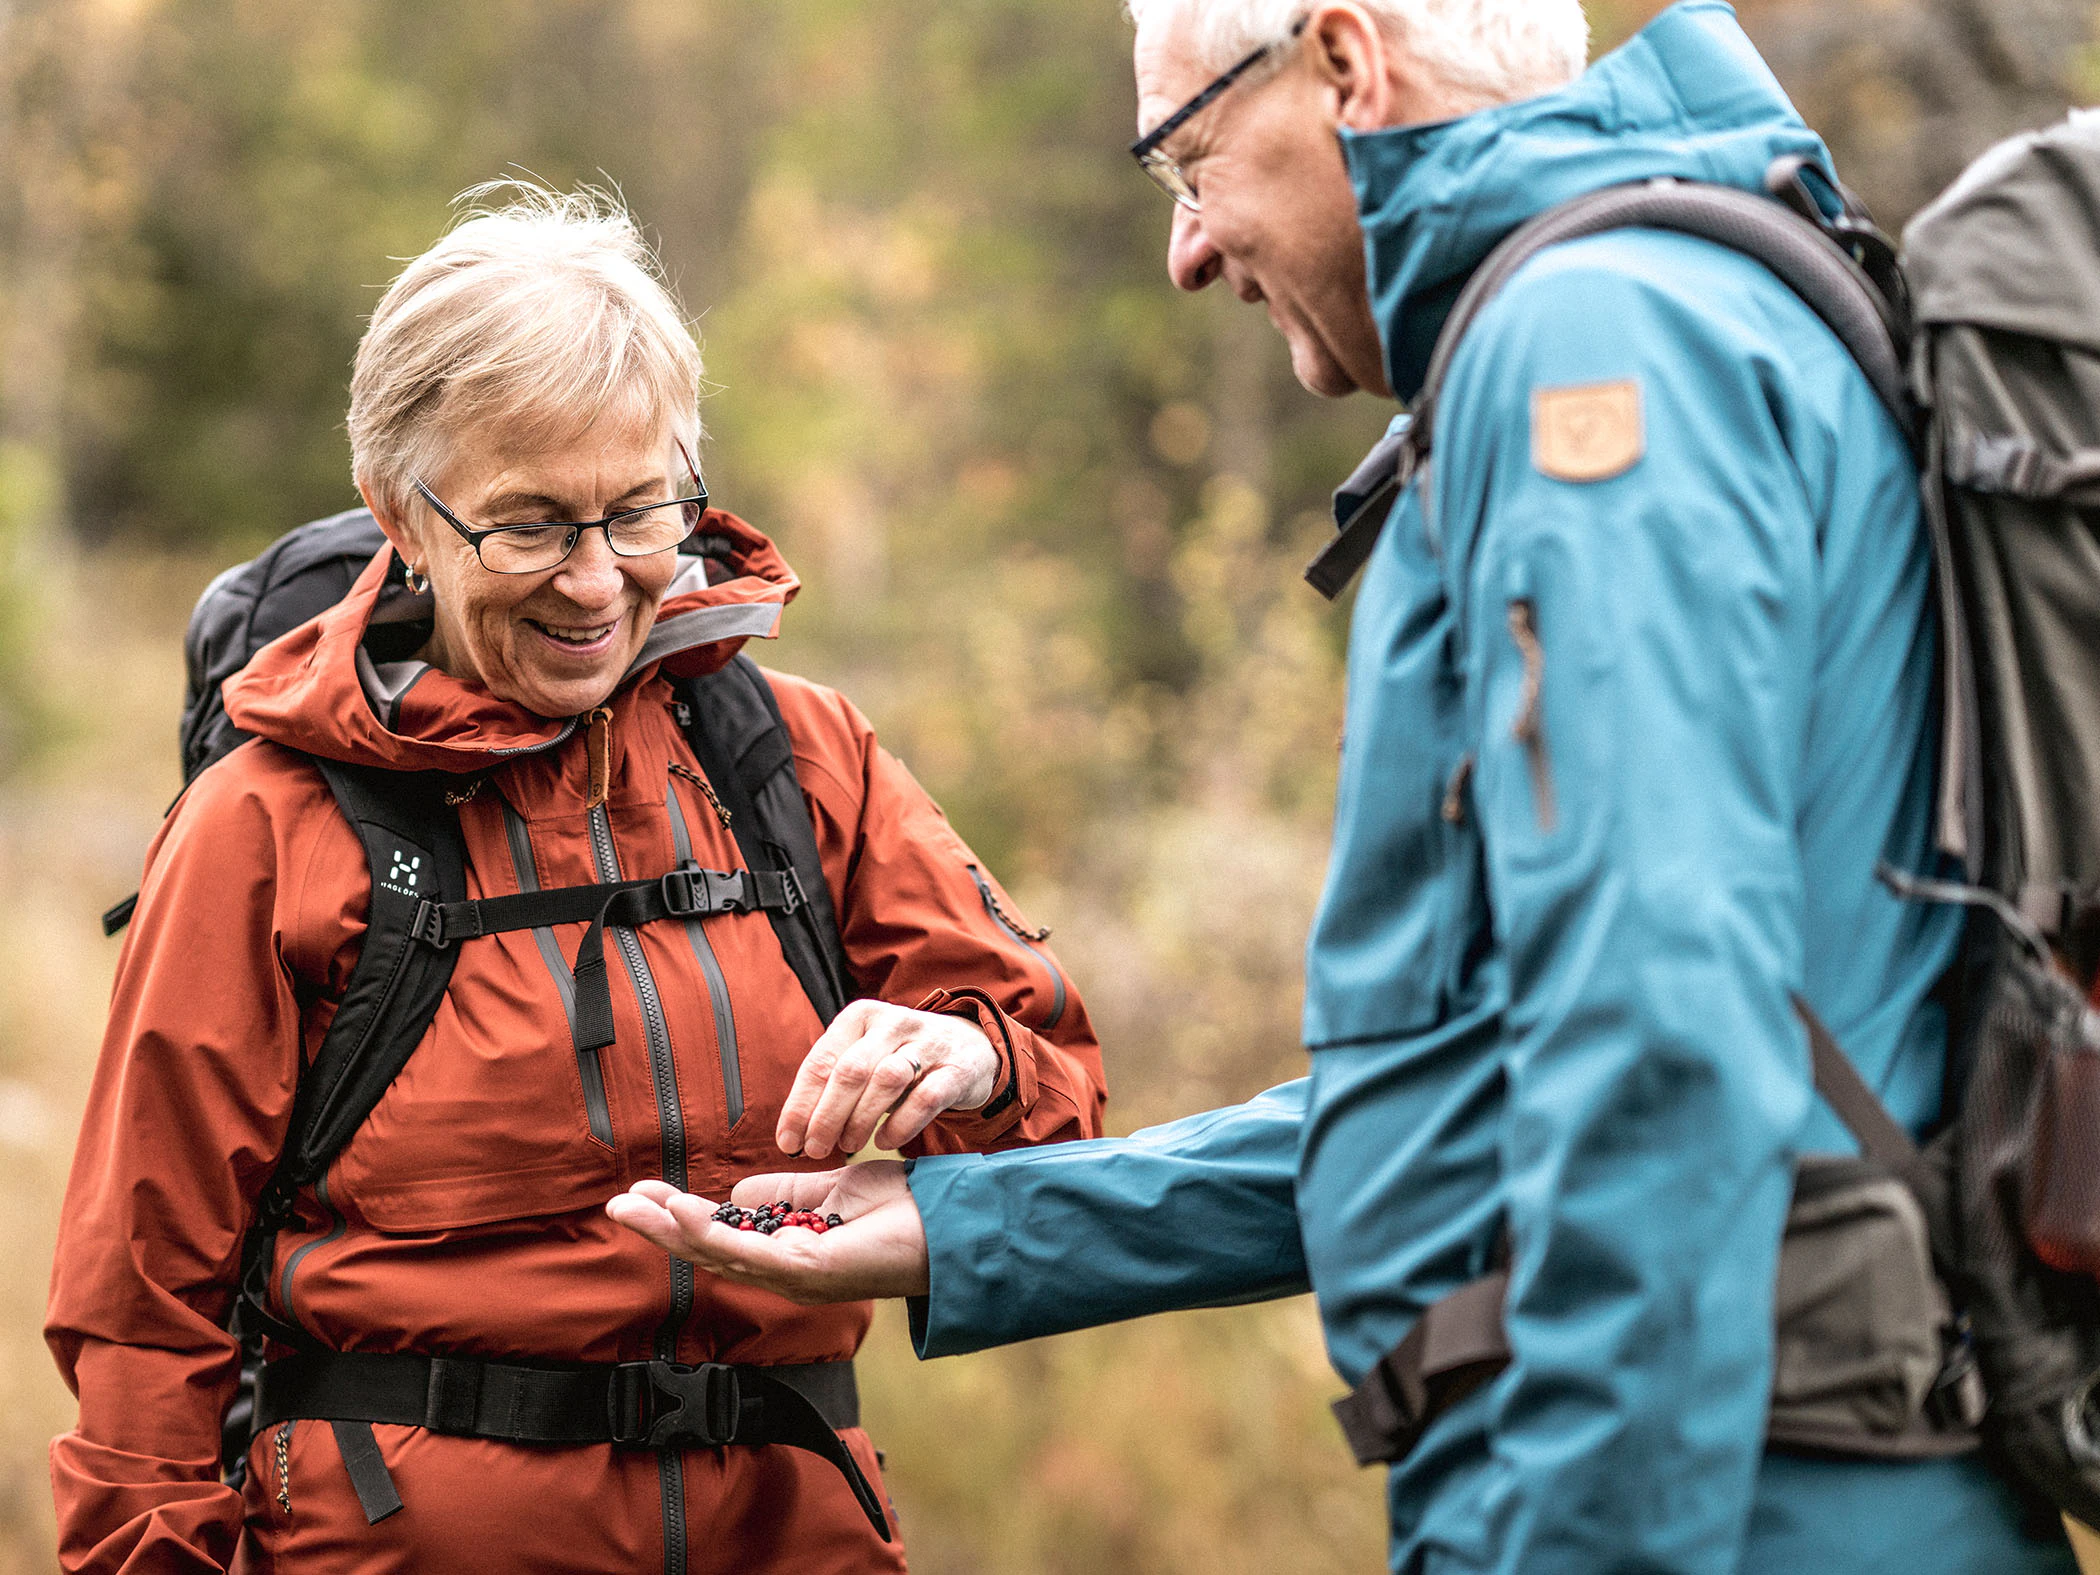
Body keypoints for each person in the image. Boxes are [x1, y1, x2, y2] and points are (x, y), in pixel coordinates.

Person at [606, 3, 2084, 1570]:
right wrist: (966, 1229)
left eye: (1189, 162)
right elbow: (1486, 1089)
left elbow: (1657, 1043)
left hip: (1735, 1506)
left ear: (1344, 63)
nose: (1187, 250)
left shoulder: (1589, 349)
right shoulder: (1683, 304)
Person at [46, 184, 1107, 1575]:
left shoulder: (791, 761)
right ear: (401, 516)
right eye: (533, 525)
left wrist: (970, 1062)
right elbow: (143, 1320)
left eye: (641, 512)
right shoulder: (270, 825)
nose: (600, 583)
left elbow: (1060, 1124)